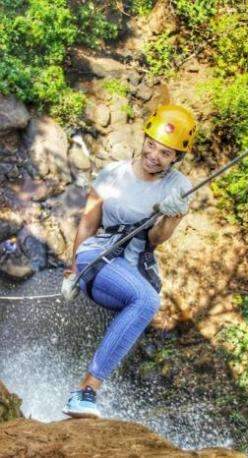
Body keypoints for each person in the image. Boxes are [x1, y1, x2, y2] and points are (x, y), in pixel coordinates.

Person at [61, 104, 197, 418]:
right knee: (147, 301)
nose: (155, 155)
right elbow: (87, 224)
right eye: (152, 145)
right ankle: (87, 390)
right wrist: (72, 270)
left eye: (165, 153)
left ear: (176, 158)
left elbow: (156, 240)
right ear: (144, 139)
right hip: (95, 255)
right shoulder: (112, 174)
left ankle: (85, 391)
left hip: (131, 265)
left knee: (145, 302)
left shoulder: (177, 186)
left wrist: (173, 215)